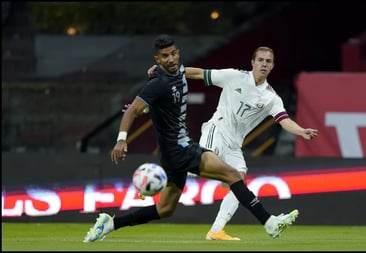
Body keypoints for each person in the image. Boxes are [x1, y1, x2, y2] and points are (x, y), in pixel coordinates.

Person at [83, 34, 299, 243]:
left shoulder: (177, 75)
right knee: (234, 176)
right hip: (181, 149)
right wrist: (122, 139)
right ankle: (269, 223)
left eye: (173, 54)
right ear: (157, 59)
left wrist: (147, 105)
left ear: (178, 54)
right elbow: (132, 111)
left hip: (175, 152)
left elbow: (180, 87)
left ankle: (110, 224)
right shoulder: (159, 83)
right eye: (164, 56)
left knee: (165, 209)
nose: (171, 59)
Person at [147, 46, 318, 240]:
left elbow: (284, 120)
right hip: (216, 130)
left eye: (268, 61)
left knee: (239, 183)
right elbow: (199, 73)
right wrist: (165, 71)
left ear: (272, 66)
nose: (263, 64)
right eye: (260, 60)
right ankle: (153, 179)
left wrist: (301, 131)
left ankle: (216, 230)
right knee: (194, 170)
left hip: (234, 145)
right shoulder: (234, 76)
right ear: (252, 62)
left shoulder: (271, 98)